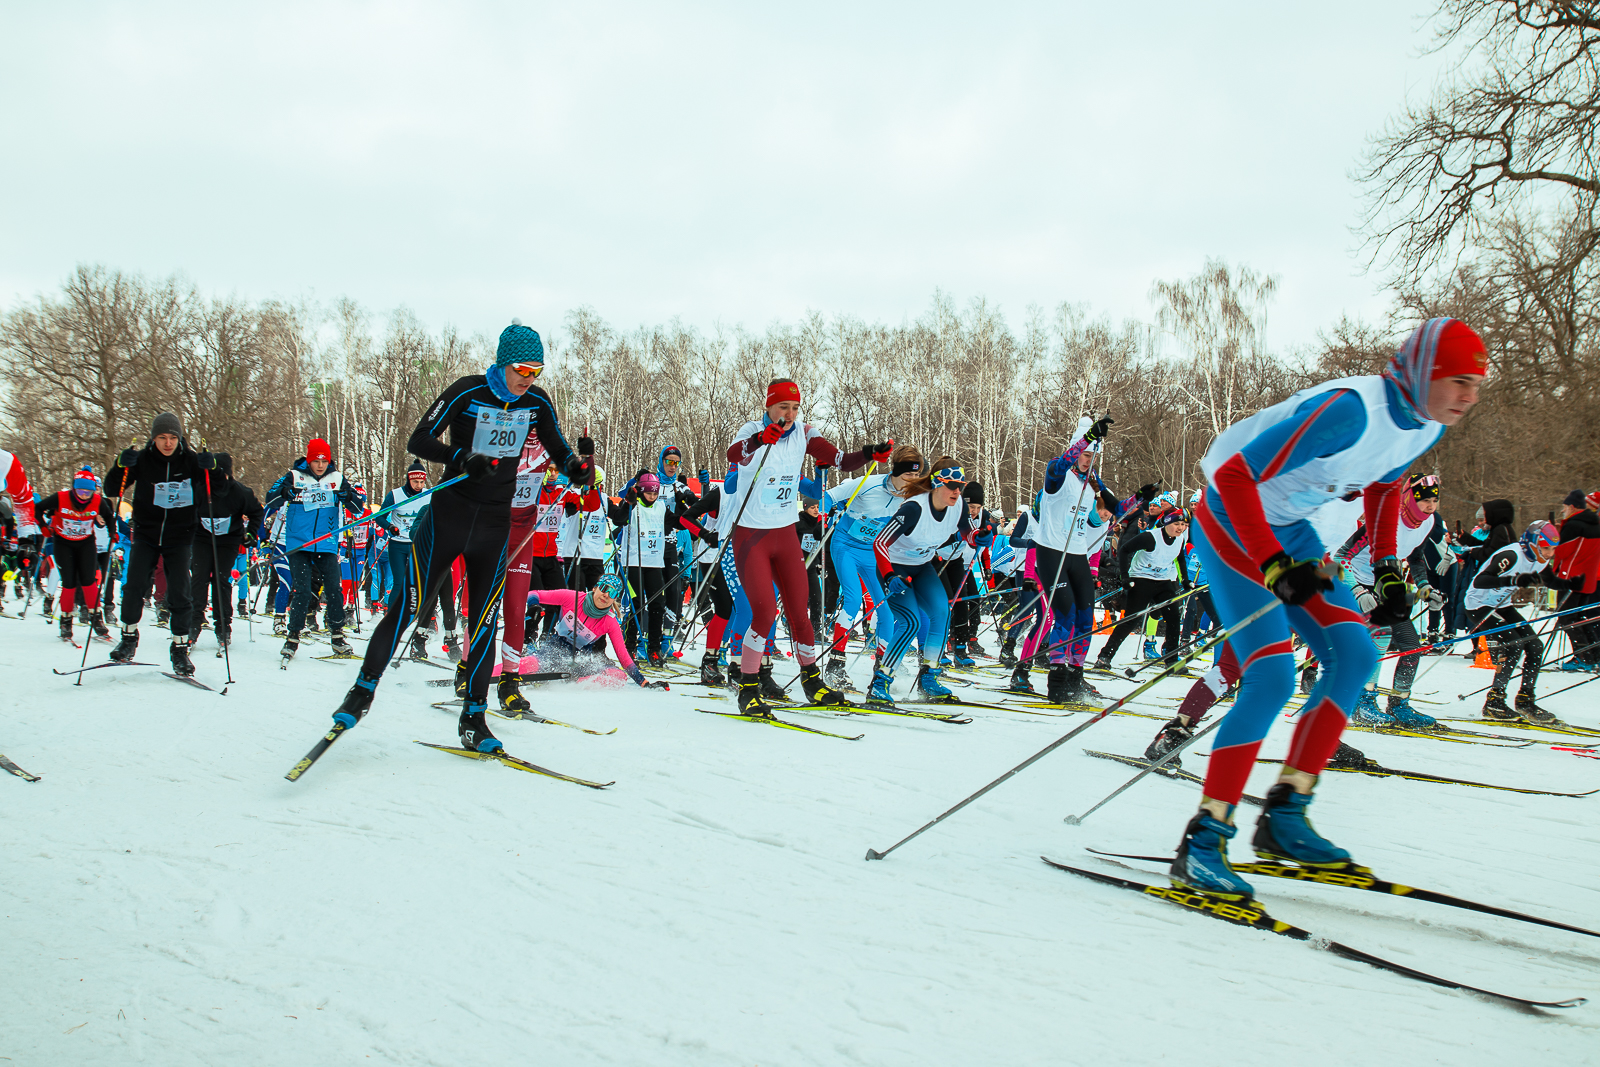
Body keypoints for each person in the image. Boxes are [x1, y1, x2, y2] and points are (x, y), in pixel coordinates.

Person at [1169, 317, 1487, 902]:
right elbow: (1236, 478)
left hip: (1290, 529)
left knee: (1357, 655)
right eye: (1458, 380)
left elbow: (1385, 486)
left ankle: (1285, 815)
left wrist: (1388, 565)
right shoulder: (1352, 410)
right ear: (1423, 372)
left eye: (1476, 383)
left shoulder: (1425, 423)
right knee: (1269, 675)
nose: (1469, 395)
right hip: (1232, 518)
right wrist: (1271, 565)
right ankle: (1204, 841)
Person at [330, 321, 592, 755]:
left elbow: (558, 448)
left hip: (493, 525)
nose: (529, 380)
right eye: (522, 370)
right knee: (409, 607)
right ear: (503, 363)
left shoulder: (537, 403)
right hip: (449, 516)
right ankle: (361, 693)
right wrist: (461, 457)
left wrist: (575, 468)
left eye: (536, 372)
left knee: (485, 620)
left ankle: (474, 718)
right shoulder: (467, 392)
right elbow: (419, 438)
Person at [723, 378, 880, 716]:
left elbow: (839, 459)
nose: (790, 413)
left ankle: (812, 681)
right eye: (783, 407)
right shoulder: (751, 429)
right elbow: (733, 454)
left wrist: (869, 454)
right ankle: (748, 686)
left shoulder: (804, 432)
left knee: (801, 611)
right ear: (769, 406)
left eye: (795, 407)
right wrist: (758, 441)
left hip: (784, 534)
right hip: (752, 536)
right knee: (764, 612)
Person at [102, 413, 217, 676]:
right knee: (134, 586)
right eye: (162, 437)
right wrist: (120, 465)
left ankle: (179, 649)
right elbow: (112, 487)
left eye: (173, 437)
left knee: (180, 591)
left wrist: (213, 468)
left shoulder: (190, 461)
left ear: (180, 438)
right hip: (146, 533)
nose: (167, 443)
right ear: (153, 438)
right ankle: (129, 638)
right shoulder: (142, 459)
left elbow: (216, 487)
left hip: (179, 535)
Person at [867, 459, 976, 703]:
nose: (957, 491)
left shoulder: (959, 506)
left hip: (922, 567)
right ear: (938, 482)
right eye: (952, 485)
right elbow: (880, 542)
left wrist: (979, 536)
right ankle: (880, 682)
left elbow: (968, 532)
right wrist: (889, 576)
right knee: (910, 622)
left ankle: (929, 678)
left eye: (961, 485)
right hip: (893, 568)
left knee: (941, 612)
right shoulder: (914, 508)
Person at [821, 444, 923, 688]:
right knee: (853, 600)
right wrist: (823, 513)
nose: (913, 480)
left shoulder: (914, 497)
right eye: (909, 474)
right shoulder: (869, 483)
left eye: (917, 475)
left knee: (886, 608)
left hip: (873, 552)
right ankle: (835, 664)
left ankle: (882, 665)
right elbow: (828, 497)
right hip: (845, 544)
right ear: (896, 471)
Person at [1464, 519, 1575, 722]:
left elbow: (1551, 581)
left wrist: (1575, 584)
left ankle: (1525, 700)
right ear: (1533, 543)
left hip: (1501, 605)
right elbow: (1481, 580)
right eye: (1546, 548)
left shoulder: (1540, 558)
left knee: (1535, 646)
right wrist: (1513, 580)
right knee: (1514, 644)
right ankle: (1494, 702)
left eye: (1553, 549)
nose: (1550, 554)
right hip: (1479, 605)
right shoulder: (1512, 555)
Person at [266, 438, 366, 661]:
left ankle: (338, 636)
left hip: (326, 542)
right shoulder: (294, 476)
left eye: (324, 461)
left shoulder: (337, 478)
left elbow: (359, 507)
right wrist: (284, 492)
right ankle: (292, 637)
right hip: (299, 543)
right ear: (309, 460)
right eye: (316, 460)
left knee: (333, 589)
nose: (320, 465)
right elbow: (269, 499)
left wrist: (348, 497)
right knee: (301, 590)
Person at [524, 572, 667, 690]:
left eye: (612, 593)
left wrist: (644, 683)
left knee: (618, 676)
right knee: (528, 664)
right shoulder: (572, 598)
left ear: (614, 599)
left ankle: (576, 684)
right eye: (604, 588)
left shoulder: (609, 621)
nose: (606, 595)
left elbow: (623, 657)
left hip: (580, 661)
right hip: (554, 651)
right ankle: (509, 677)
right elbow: (534, 593)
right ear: (595, 588)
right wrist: (533, 605)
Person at [1095, 506, 1190, 669]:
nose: (1180, 528)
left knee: (1173, 616)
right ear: (1167, 523)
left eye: (1184, 524)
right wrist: (1125, 576)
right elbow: (1124, 550)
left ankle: (1171, 658)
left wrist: (1186, 580)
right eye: (1177, 524)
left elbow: (1180, 558)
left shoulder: (1180, 539)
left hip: (1163, 581)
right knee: (1132, 620)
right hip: (1141, 580)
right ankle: (1105, 656)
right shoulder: (1151, 537)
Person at [189, 454, 264, 651]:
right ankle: (193, 623)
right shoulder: (199, 489)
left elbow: (257, 512)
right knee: (199, 577)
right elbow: (187, 511)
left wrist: (251, 533)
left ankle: (223, 627)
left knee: (221, 580)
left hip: (229, 539)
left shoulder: (239, 492)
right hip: (202, 538)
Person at [35, 468, 116, 643]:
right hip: (63, 543)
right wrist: (43, 527)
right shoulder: (60, 497)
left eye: (88, 492)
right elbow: (37, 508)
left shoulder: (98, 501)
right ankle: (66, 622)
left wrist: (113, 533)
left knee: (89, 581)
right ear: (74, 489)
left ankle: (96, 619)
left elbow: (109, 517)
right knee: (69, 582)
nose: (84, 495)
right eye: (80, 491)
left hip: (85, 543)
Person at [1552, 489, 1600, 671]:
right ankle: (1592, 655)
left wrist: (1554, 537)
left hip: (1572, 576)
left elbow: (1562, 551)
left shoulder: (1576, 523)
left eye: (1564, 507)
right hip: (1586, 576)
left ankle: (1585, 658)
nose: (1563, 511)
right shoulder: (1590, 521)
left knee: (1567, 618)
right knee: (1580, 617)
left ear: (1572, 507)